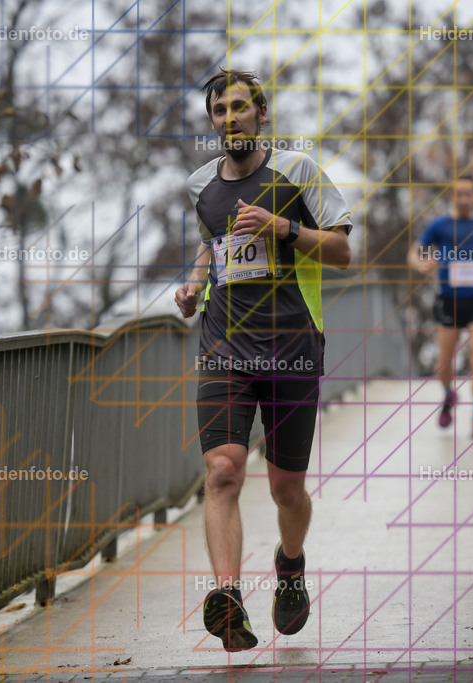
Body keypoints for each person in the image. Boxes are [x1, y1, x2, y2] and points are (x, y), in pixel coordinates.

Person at [174, 68, 353, 651]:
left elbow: (343, 251)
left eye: (239, 108)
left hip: (293, 350)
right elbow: (213, 244)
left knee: (286, 490)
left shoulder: (298, 171)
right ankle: (228, 598)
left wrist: (282, 227)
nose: (230, 119)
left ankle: (291, 566)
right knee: (223, 469)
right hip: (224, 347)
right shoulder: (201, 185)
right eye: (219, 111)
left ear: (262, 113)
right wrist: (192, 284)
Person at [408, 177, 473, 438]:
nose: (464, 199)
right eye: (459, 194)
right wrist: (421, 264)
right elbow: (414, 252)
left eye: (469, 194)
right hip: (449, 300)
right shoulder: (439, 226)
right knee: (444, 362)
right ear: (452, 197)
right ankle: (448, 394)